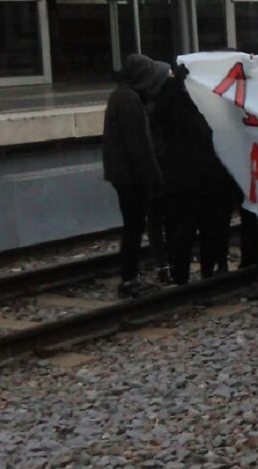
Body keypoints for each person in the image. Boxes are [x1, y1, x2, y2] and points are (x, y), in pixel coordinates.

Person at [148, 61, 237, 286]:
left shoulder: (170, 104)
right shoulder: (199, 105)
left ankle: (183, 276)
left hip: (186, 179)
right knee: (203, 228)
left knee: (185, 230)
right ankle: (201, 272)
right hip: (202, 177)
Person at [101, 54, 169, 298]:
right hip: (131, 177)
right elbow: (140, 145)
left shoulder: (119, 95)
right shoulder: (130, 100)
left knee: (132, 226)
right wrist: (154, 178)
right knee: (134, 227)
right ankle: (129, 278)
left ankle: (131, 276)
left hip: (121, 174)